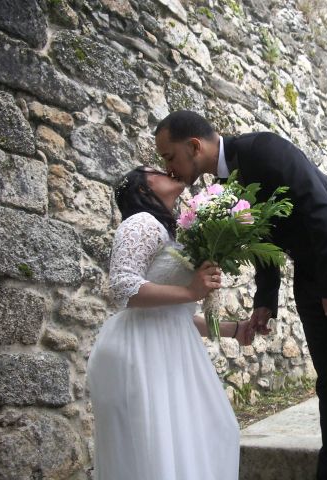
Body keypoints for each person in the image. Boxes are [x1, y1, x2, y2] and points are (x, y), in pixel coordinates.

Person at [155, 111, 327, 480]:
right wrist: (265, 302)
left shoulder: (265, 148)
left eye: (169, 156)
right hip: (313, 271)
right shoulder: (223, 185)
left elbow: (320, 206)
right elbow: (259, 239)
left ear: (193, 146)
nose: (168, 168)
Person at [86, 165, 253, 480]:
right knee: (156, 450)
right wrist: (191, 290)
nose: (167, 170)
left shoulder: (169, 232)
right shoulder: (141, 222)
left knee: (211, 431)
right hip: (141, 351)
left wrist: (234, 329)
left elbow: (179, 315)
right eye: (155, 170)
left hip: (171, 349)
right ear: (142, 189)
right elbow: (122, 287)